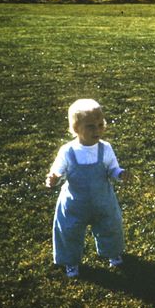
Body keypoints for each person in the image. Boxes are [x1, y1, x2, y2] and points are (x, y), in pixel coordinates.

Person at [46, 99, 131, 278]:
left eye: (101, 124)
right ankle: (70, 261)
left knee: (110, 225)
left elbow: (112, 168)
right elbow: (58, 170)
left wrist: (120, 173)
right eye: (91, 126)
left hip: (103, 200)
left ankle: (112, 252)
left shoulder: (105, 148)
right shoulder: (67, 151)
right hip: (75, 202)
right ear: (76, 129)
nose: (97, 130)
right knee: (69, 230)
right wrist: (53, 177)